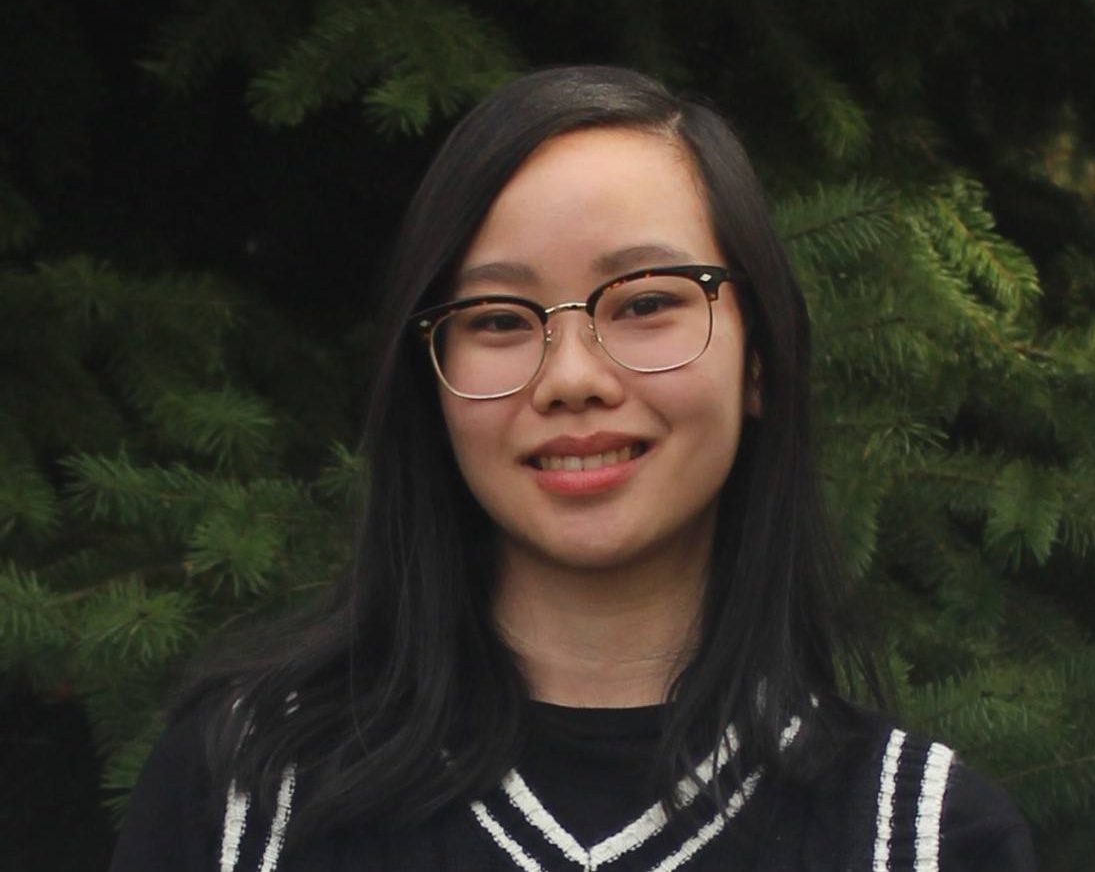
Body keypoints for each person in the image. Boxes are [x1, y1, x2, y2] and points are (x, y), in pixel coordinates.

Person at [109, 66, 1036, 872]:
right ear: (431, 378)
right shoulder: (245, 793)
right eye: (498, 319)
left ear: (758, 358)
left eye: (645, 302)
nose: (571, 379)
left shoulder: (920, 837)